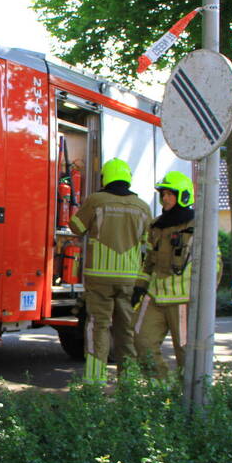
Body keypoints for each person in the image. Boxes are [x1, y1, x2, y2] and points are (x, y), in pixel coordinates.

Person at [69, 158, 151, 384]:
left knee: (98, 327)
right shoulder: (143, 207)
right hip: (129, 279)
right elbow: (149, 242)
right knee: (126, 330)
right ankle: (129, 383)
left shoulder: (96, 201)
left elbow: (76, 227)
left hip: (99, 278)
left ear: (105, 178)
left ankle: (95, 381)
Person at [131, 170, 196, 378]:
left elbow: (214, 264)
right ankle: (161, 389)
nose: (165, 198)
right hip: (154, 297)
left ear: (184, 196)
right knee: (141, 340)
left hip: (182, 300)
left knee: (186, 352)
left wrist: (205, 296)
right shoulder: (156, 225)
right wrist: (139, 288)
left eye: (170, 194)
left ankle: (187, 393)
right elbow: (148, 261)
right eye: (163, 194)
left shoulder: (198, 226)